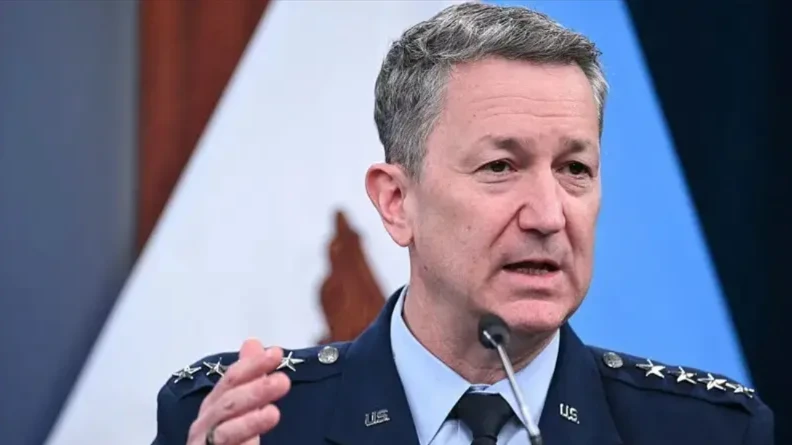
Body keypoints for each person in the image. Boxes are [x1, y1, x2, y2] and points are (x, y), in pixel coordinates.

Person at [152, 3, 774, 445]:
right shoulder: (244, 423)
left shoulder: (710, 430)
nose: (549, 215)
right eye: (500, 166)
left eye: (575, 169)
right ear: (397, 202)